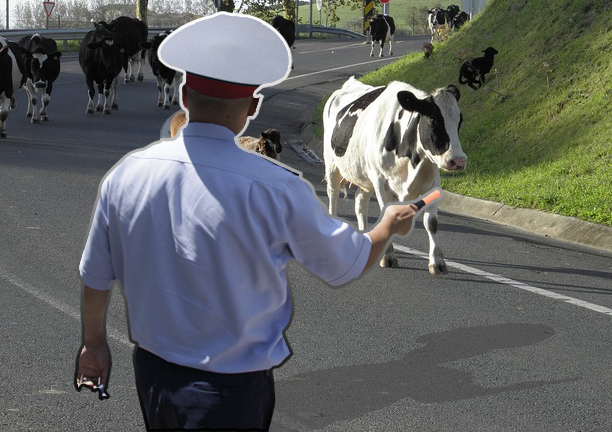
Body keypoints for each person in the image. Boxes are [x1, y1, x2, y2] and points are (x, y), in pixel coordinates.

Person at [75, 12, 421, 431]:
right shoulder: (278, 188)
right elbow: (348, 261)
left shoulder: (126, 174)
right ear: (253, 107)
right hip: (230, 391)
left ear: (184, 97)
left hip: (152, 377)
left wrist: (93, 345)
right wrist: (387, 224)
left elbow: (95, 277)